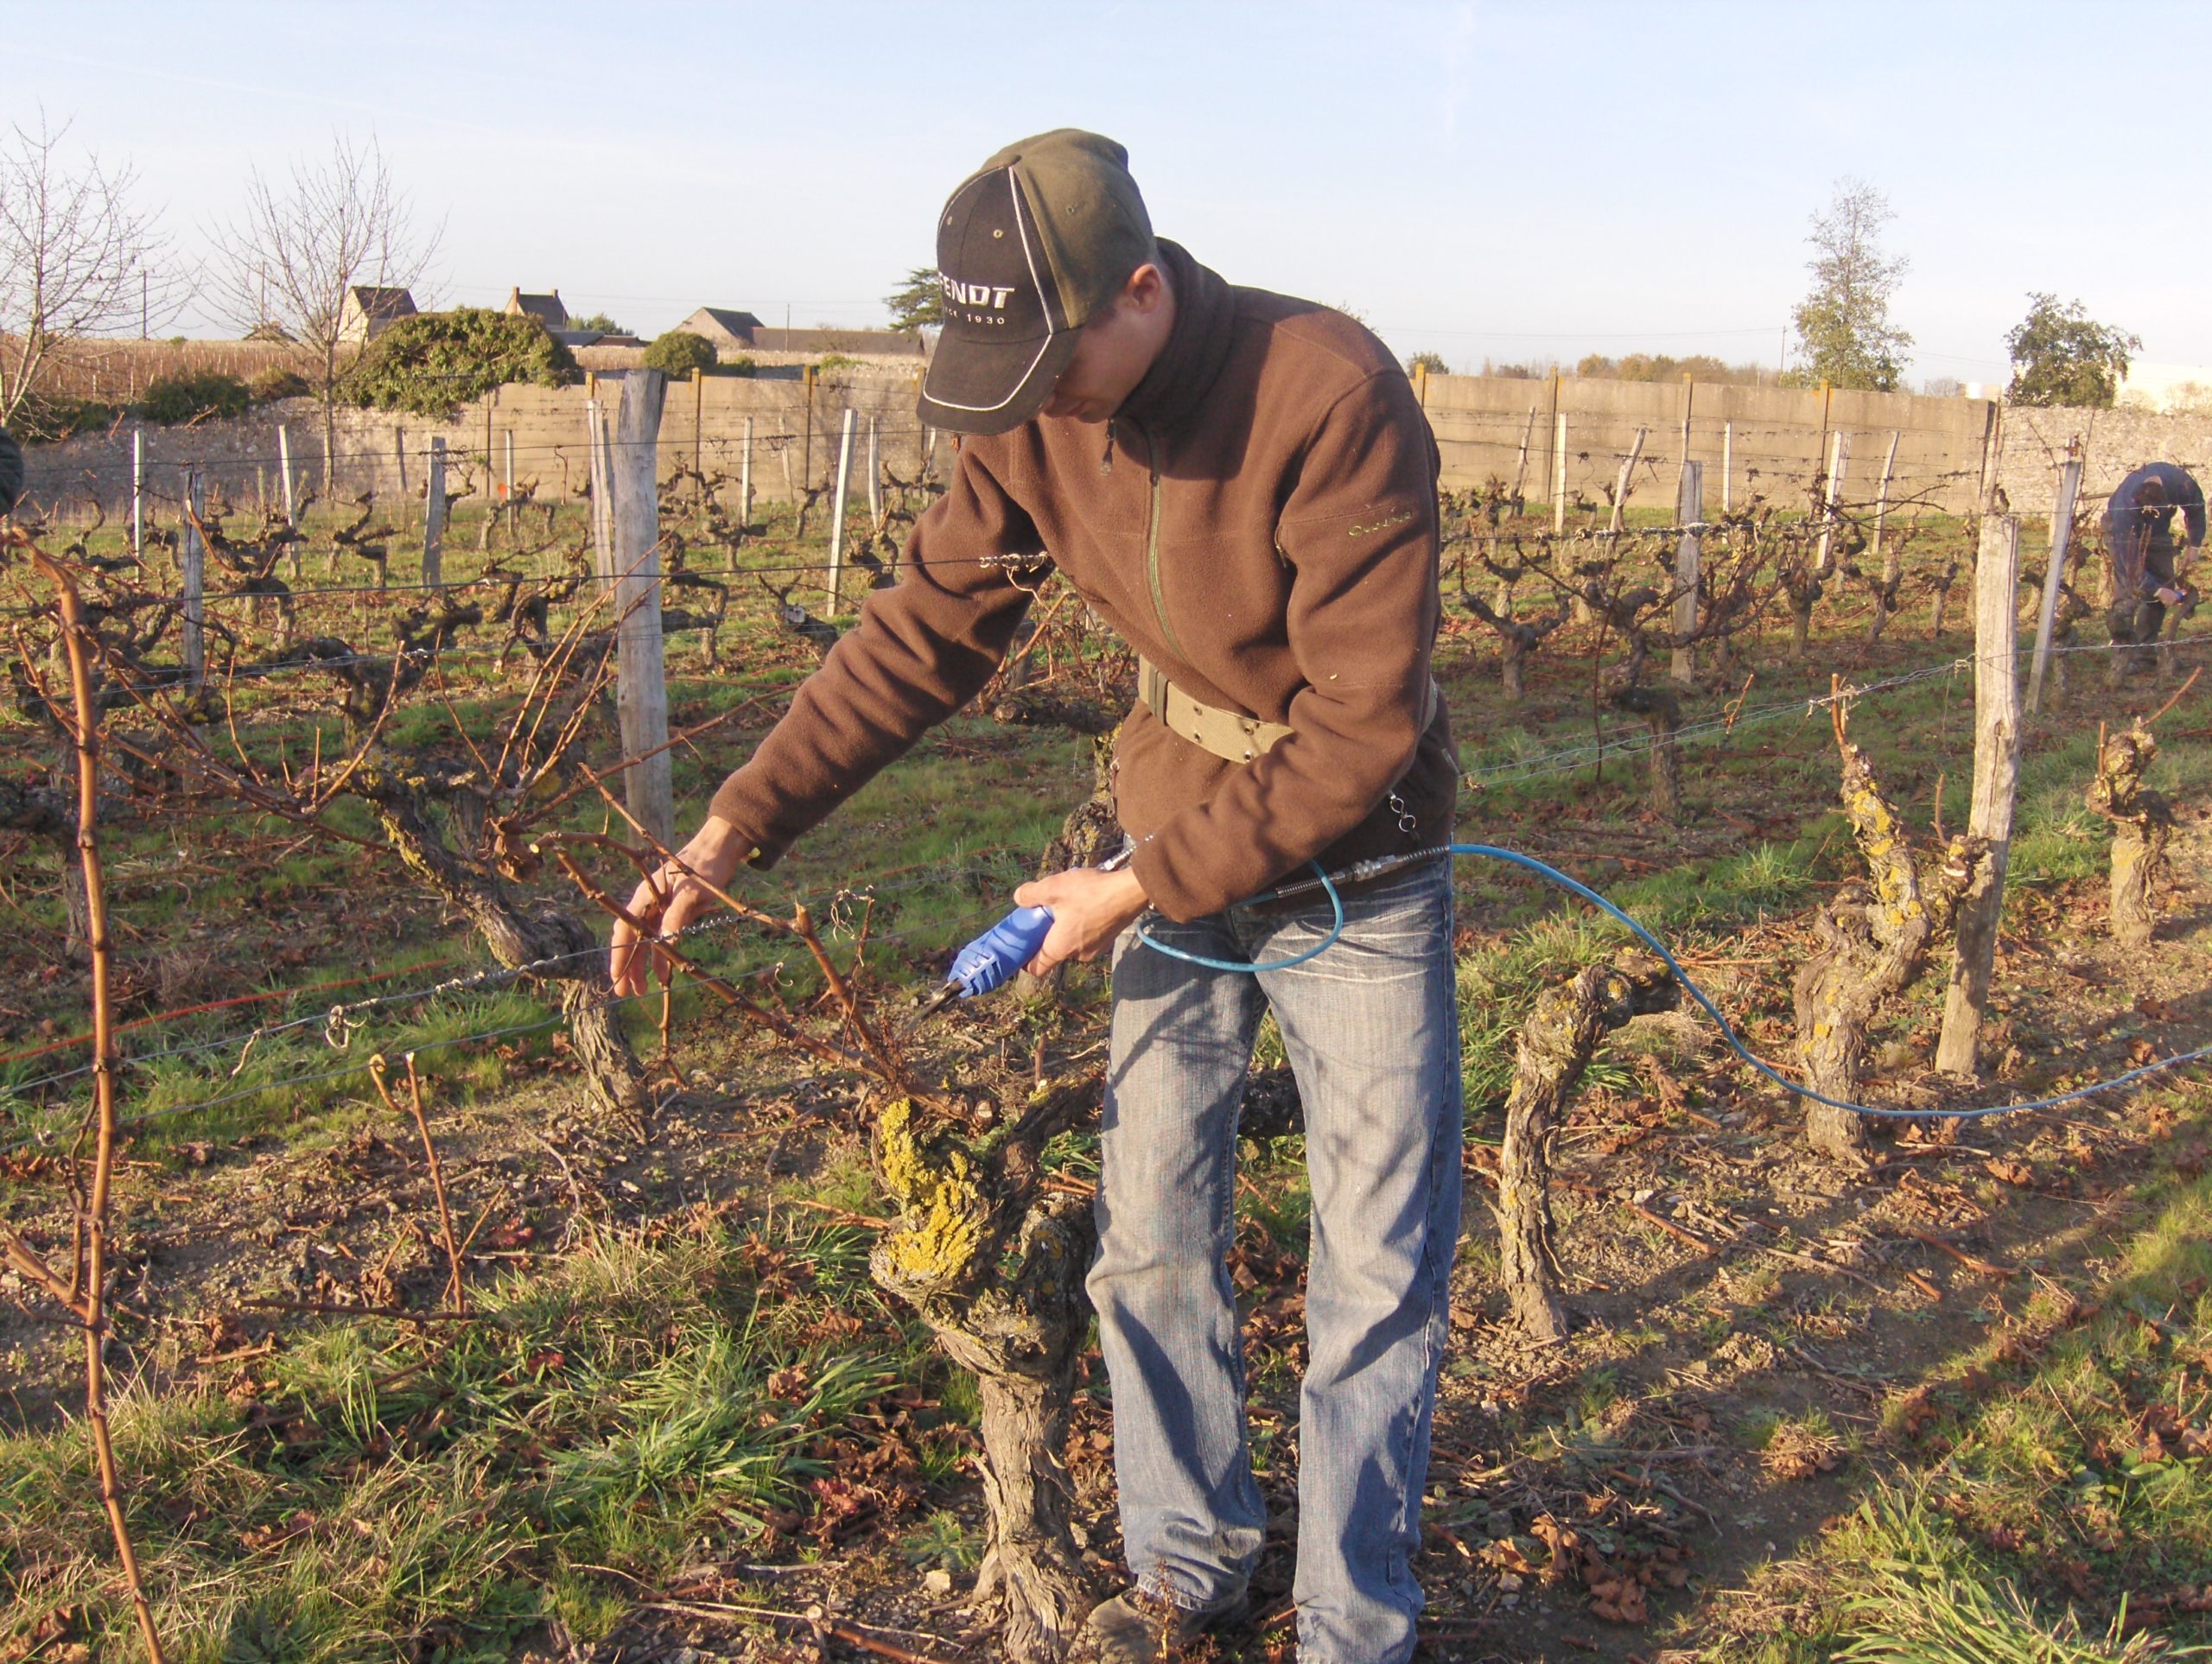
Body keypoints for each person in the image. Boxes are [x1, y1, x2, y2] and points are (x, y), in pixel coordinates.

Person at [611, 130, 1462, 1663]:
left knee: (1377, 1264)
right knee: (1149, 1229)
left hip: (1363, 861)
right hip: (1170, 835)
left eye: (1051, 361)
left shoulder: (1329, 393)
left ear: (1141, 291)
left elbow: (1360, 730)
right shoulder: (1034, 411)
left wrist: (1131, 888)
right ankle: (1191, 1565)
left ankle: (1355, 1625)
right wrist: (740, 822)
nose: (1034, 399)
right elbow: (922, 632)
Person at [2103, 461, 2204, 670]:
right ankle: (2123, 656)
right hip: (2122, 533)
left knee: (2164, 584)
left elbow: (2196, 507)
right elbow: (2129, 564)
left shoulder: (2180, 483)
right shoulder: (2125, 508)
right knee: (2128, 592)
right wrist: (2156, 590)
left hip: (2158, 533)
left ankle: (2144, 656)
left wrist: (2194, 545)